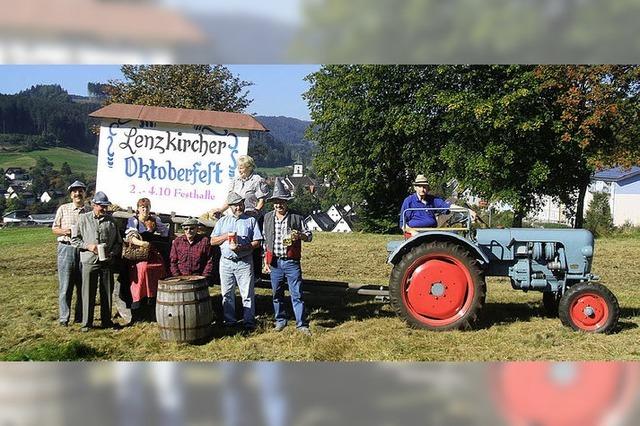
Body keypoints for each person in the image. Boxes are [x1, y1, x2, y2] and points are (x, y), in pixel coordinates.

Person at [263, 179, 313, 336]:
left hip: (291, 262)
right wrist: (266, 262)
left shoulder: (296, 218)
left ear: (287, 203)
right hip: (275, 262)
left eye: (282, 202)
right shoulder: (268, 218)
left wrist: (300, 235)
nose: (279, 205)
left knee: (297, 294)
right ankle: (280, 320)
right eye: (276, 202)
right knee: (276, 294)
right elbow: (266, 242)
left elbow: (310, 236)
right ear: (273, 204)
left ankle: (301, 324)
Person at [207, 155, 269, 277]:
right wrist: (221, 210)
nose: (239, 170)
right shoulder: (235, 181)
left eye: (242, 167)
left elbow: (262, 200)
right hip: (236, 216)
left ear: (249, 167)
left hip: (252, 217)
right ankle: (233, 270)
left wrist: (256, 211)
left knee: (253, 244)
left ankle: (255, 274)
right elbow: (230, 200)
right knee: (235, 240)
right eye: (238, 168)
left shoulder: (258, 180)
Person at [210, 192, 263, 331]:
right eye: (236, 205)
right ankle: (230, 321)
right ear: (230, 207)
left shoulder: (251, 220)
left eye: (241, 204)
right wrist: (225, 237)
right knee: (227, 293)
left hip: (244, 261)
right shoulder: (222, 221)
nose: (239, 207)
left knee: (247, 293)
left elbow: (257, 242)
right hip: (226, 262)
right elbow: (212, 241)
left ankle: (249, 322)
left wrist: (244, 247)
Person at [71, 191, 122, 332]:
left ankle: (106, 321)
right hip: (89, 261)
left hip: (107, 262)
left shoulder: (112, 221)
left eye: (106, 206)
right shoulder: (83, 219)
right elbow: (74, 240)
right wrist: (88, 246)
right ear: (94, 205)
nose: (104, 209)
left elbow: (118, 243)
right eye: (101, 206)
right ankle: (87, 323)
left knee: (106, 292)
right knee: (88, 292)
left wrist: (112, 253)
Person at [124, 198, 169, 323]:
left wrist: (157, 236)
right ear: (138, 208)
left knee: (160, 267)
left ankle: (153, 304)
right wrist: (142, 243)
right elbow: (131, 237)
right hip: (139, 253)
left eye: (147, 207)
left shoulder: (155, 220)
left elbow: (165, 233)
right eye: (142, 207)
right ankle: (138, 309)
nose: (145, 209)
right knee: (143, 270)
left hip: (152, 252)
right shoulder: (133, 220)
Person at [51, 180, 89, 327]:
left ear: (84, 193)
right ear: (71, 194)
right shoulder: (63, 209)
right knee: (65, 285)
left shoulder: (89, 210)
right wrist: (65, 231)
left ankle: (79, 317)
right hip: (66, 248)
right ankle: (64, 318)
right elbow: (54, 229)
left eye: (80, 191)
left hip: (83, 250)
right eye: (75, 191)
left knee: (82, 285)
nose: (78, 194)